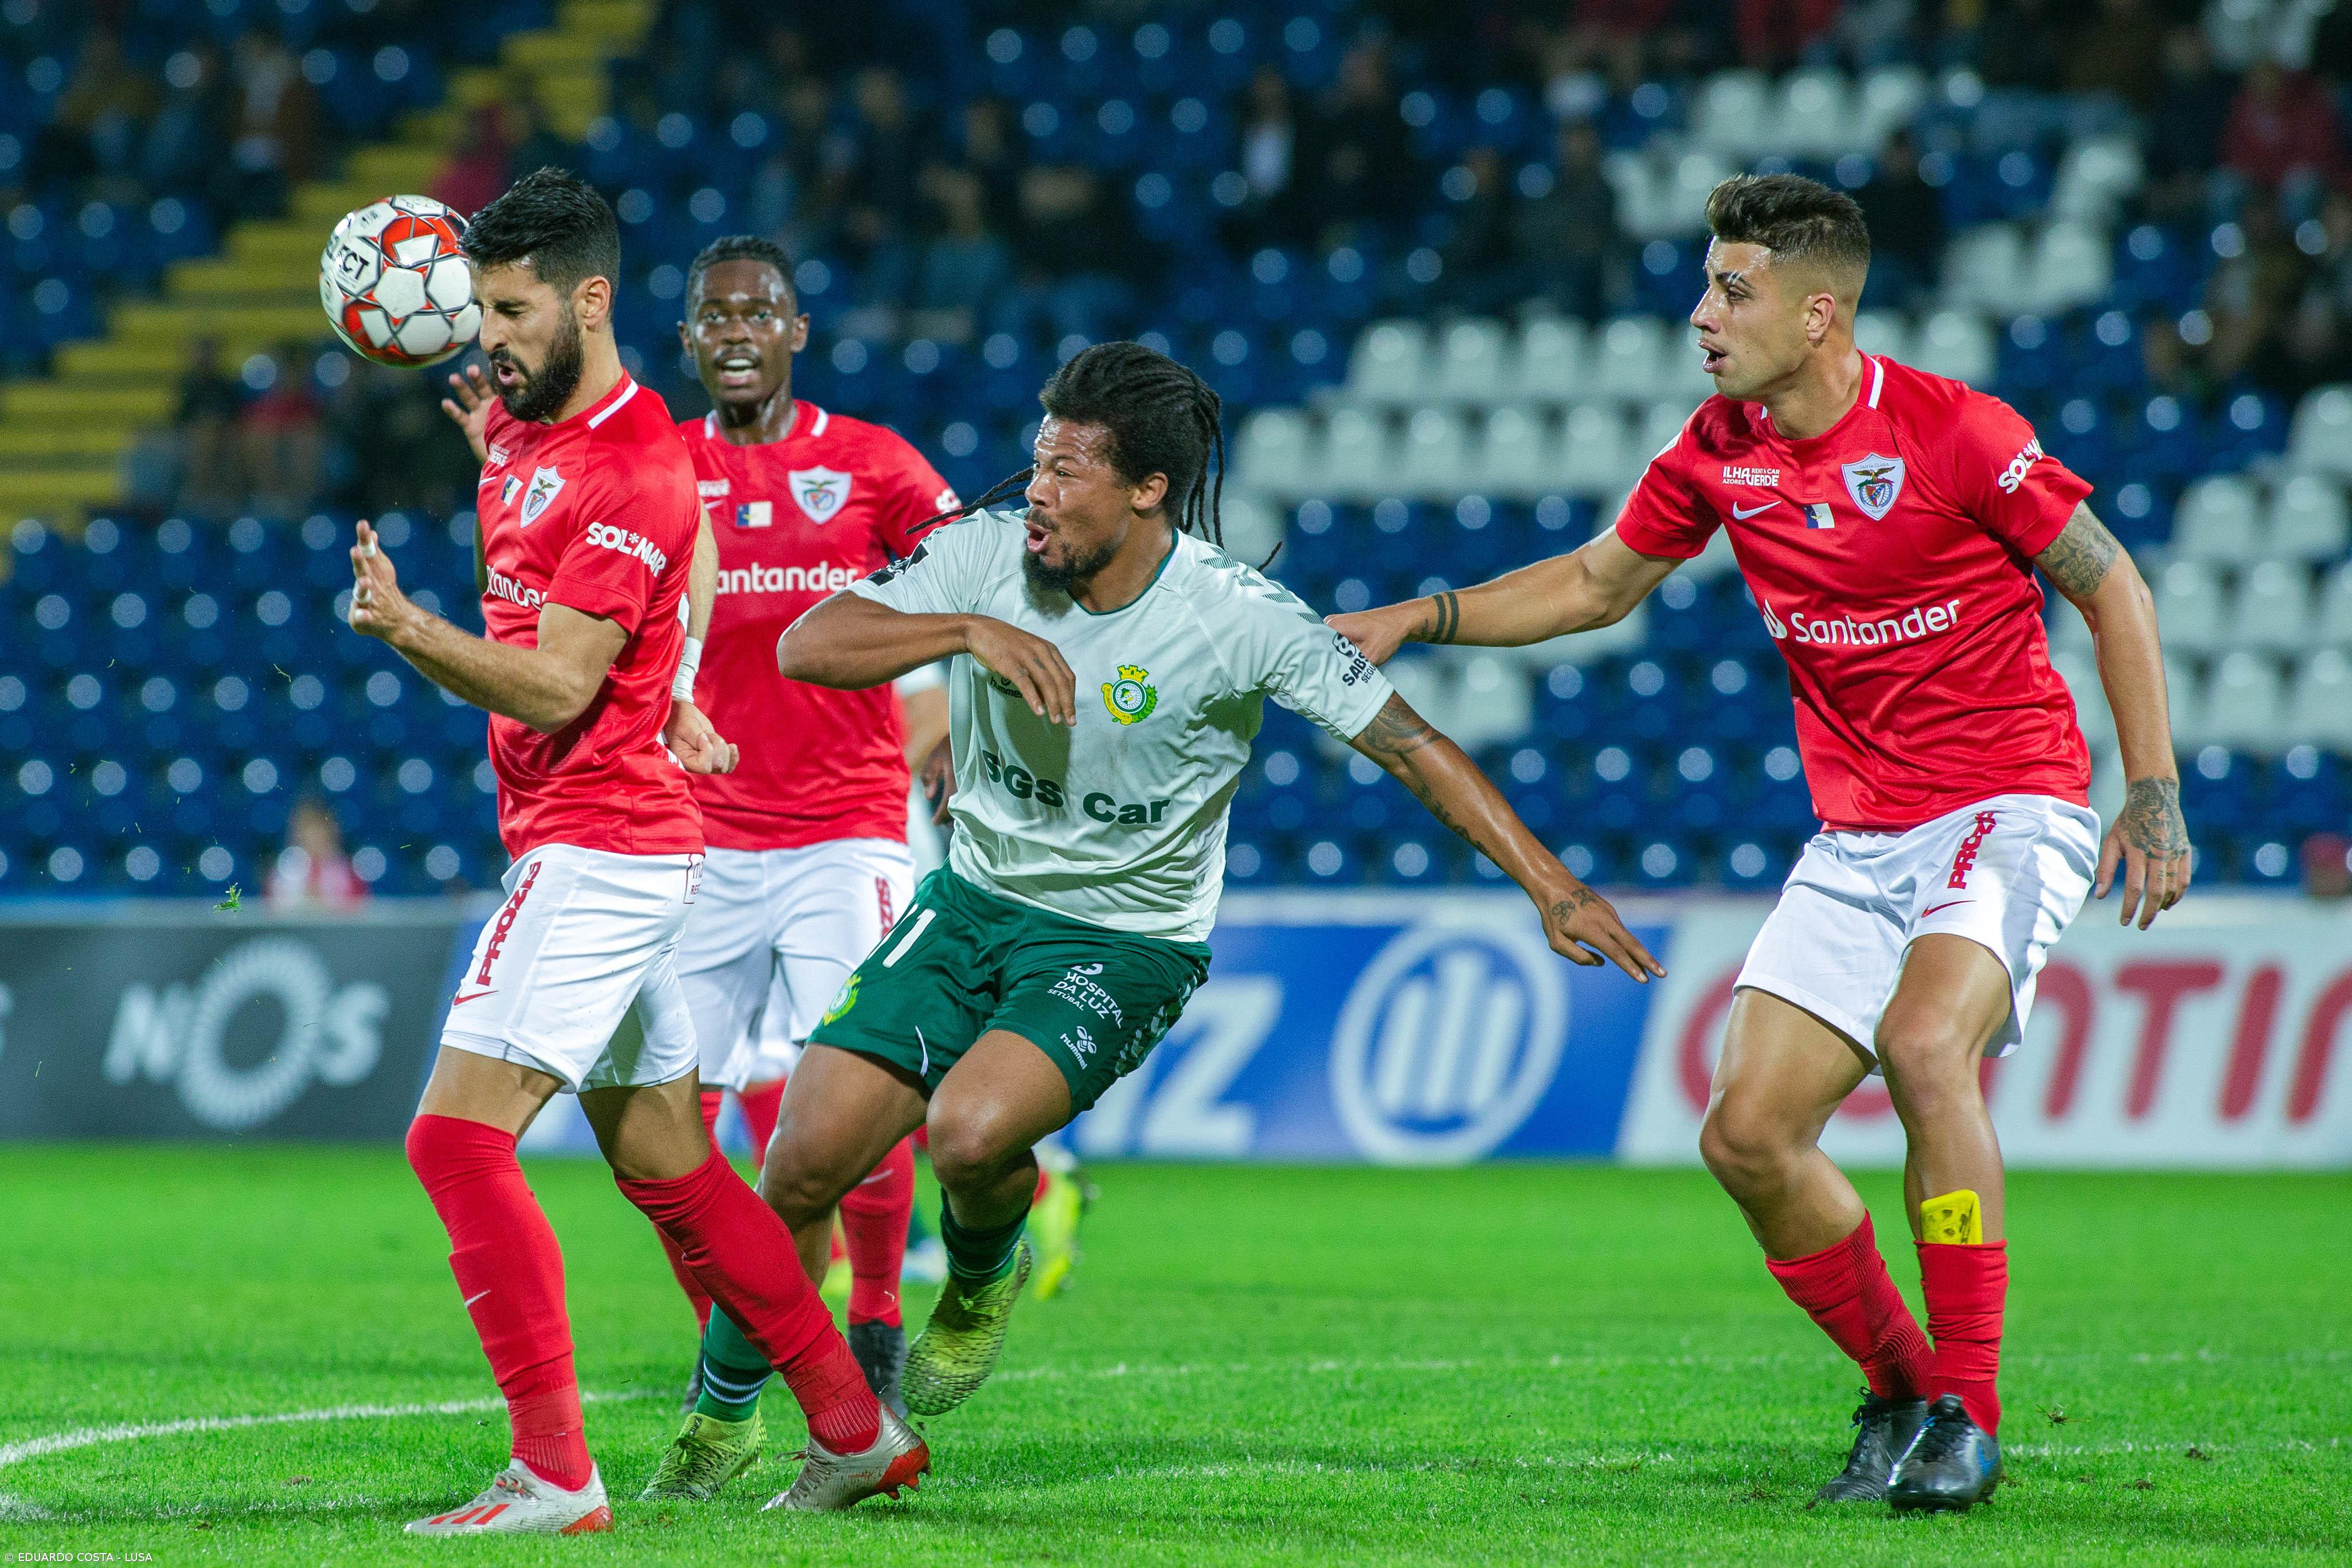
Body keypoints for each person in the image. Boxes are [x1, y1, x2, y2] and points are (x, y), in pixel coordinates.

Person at [1331, 175, 2192, 1514]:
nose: (1701, 314)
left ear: (1817, 310)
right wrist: (1424, 614)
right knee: (1744, 1136)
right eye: (1705, 283)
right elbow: (1591, 584)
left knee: (1922, 1048)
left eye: (1730, 290)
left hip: (2004, 800)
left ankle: (1966, 1411)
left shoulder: (1955, 430)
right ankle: (1901, 1396)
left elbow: (2108, 581)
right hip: (1856, 837)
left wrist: (2149, 790)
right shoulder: (1715, 446)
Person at [654, 339, 1661, 1465]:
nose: (1036, 490)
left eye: (1067, 472)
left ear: (1146, 490)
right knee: (796, 1167)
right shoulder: (984, 556)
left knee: (967, 1134)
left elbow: (1411, 748)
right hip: (971, 898)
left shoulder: (1236, 614)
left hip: (1123, 937)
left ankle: (981, 1278)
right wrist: (966, 630)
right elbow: (807, 643)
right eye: (1036, 463)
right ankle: (721, 1417)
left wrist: (1552, 886)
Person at [346, 169, 925, 1534]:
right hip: (618, 838)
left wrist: (409, 628)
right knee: (674, 1167)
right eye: (474, 308)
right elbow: (701, 550)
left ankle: (553, 1472)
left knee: (452, 1145)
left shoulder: (626, 464)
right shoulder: (527, 437)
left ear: (589, 302)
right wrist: (678, 689)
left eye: (508, 309)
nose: (479, 336)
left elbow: (552, 686)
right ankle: (853, 1428)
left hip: (602, 846)